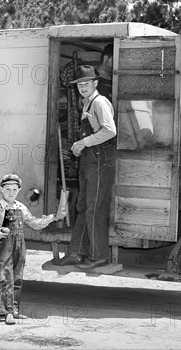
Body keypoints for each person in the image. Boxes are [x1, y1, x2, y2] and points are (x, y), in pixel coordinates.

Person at [0, 174, 67, 325]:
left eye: (14, 189)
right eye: (7, 189)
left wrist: (53, 218)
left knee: (18, 277)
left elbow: (34, 223)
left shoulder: (21, 207)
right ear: (1, 189)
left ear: (19, 190)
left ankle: (14, 309)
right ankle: (5, 311)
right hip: (5, 246)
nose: (11, 193)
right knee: (5, 277)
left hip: (20, 246)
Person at [53, 65, 117, 270]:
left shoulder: (99, 102)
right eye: (80, 84)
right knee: (83, 206)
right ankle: (76, 252)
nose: (82, 87)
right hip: (89, 161)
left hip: (100, 162)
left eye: (86, 83)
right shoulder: (86, 103)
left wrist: (85, 143)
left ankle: (98, 255)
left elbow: (110, 131)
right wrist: (80, 147)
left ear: (95, 83)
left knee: (95, 208)